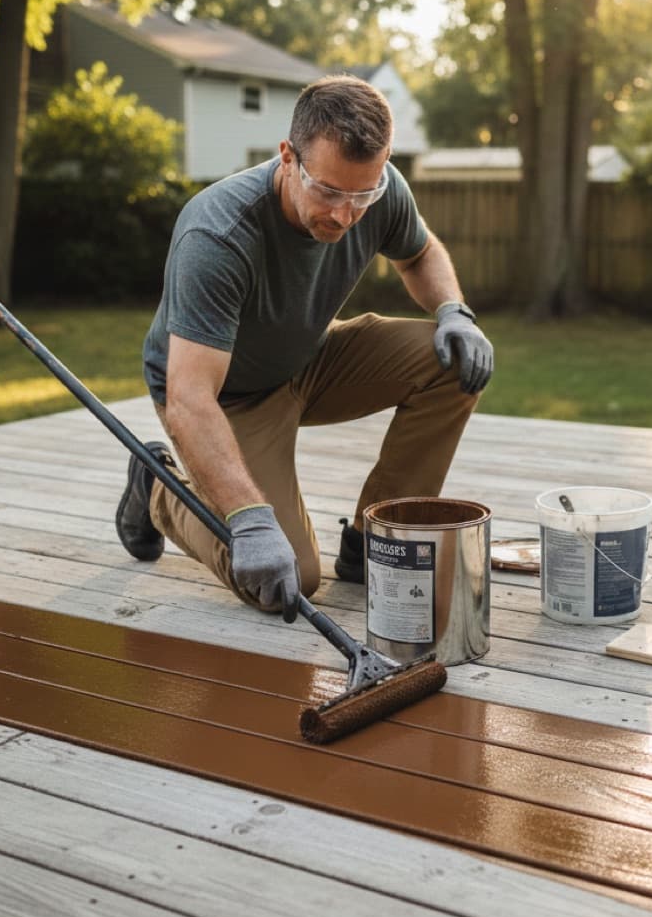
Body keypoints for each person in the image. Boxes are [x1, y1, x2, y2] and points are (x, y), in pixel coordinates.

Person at [115, 74, 494, 623]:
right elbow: (190, 398)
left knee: (453, 363)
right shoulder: (218, 235)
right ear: (288, 157)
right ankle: (158, 487)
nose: (346, 214)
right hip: (227, 396)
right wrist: (248, 518)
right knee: (291, 578)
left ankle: (374, 541)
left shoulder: (380, 188)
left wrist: (453, 311)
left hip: (309, 357)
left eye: (363, 195)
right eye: (330, 192)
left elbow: (419, 252)